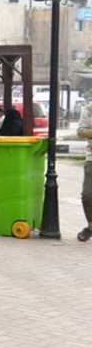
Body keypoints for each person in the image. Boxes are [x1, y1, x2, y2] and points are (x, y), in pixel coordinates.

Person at [77, 100, 91, 242]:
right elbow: (81, 131)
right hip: (91, 159)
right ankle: (91, 226)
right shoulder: (89, 109)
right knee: (87, 195)